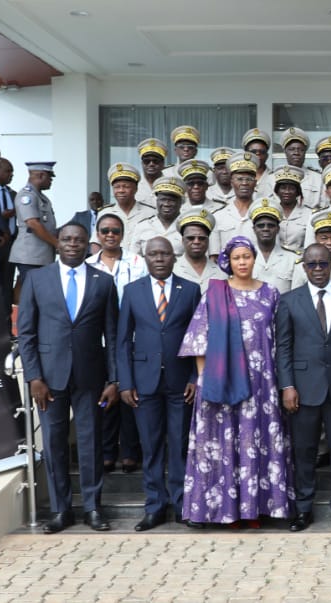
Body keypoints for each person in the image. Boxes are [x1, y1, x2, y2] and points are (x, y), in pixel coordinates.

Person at [177, 235, 292, 527]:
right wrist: (204, 379)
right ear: (228, 260)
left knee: (256, 441)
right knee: (224, 444)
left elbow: (279, 339)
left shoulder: (270, 294)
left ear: (254, 259)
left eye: (247, 257)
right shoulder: (214, 293)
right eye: (237, 257)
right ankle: (226, 511)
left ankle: (254, 509)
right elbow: (199, 339)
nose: (243, 262)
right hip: (221, 383)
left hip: (261, 385)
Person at [16, 222, 120, 533]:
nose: (72, 244)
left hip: (90, 377)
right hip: (47, 380)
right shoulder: (36, 279)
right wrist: (34, 375)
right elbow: (26, 333)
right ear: (57, 243)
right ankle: (62, 511)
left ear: (89, 244)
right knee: (54, 443)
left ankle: (92, 508)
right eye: (66, 239)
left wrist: (113, 380)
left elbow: (111, 336)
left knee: (90, 444)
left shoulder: (104, 282)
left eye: (78, 239)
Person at [116, 236, 201, 531]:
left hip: (181, 383)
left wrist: (195, 377)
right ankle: (154, 506)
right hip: (144, 383)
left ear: (174, 257)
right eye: (154, 254)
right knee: (151, 447)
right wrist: (124, 382)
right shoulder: (132, 291)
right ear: (146, 258)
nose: (160, 258)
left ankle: (181, 504)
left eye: (165, 254)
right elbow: (123, 340)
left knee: (179, 446)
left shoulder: (190, 290)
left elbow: (199, 337)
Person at [275, 244, 331, 532]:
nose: (317, 270)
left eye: (322, 264)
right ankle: (303, 509)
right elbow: (283, 349)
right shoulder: (289, 301)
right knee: (304, 452)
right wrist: (287, 385)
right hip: (302, 389)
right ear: (304, 268)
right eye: (311, 265)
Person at [87, 213, 148, 473]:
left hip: (133, 339)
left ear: (123, 234)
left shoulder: (138, 262)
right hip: (99, 341)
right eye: (105, 231)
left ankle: (130, 453)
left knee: (130, 396)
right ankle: (108, 451)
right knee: (104, 398)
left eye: (115, 231)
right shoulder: (88, 265)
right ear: (98, 235)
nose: (110, 235)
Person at [9, 161, 59, 304]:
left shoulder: (41, 197)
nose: (51, 181)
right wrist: (56, 243)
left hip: (40, 254)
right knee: (30, 293)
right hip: (30, 254)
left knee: (33, 290)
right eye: (50, 178)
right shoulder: (27, 196)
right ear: (41, 175)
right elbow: (33, 223)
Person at [96, 162, 155, 254]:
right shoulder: (104, 213)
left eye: (126, 187)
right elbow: (96, 243)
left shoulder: (150, 212)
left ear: (136, 189)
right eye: (117, 187)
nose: (121, 191)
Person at [211, 151, 260, 256]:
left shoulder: (262, 214)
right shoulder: (218, 216)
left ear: (255, 183)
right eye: (239, 179)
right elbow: (214, 257)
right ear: (232, 182)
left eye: (249, 179)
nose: (244, 183)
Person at [250, 200, 302, 293]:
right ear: (254, 229)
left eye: (271, 226)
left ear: (278, 229)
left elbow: (296, 296)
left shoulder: (293, 259)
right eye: (261, 226)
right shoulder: (245, 258)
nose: (266, 229)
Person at [130, 176, 186, 256]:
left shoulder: (188, 227)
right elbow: (134, 259)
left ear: (181, 202)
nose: (166, 204)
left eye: (172, 200)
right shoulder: (142, 226)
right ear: (157, 201)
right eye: (163, 199)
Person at [0, 155, 17, 318]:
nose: (11, 175)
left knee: (7, 286)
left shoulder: (13, 194)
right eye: (8, 171)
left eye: (12, 172)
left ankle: (6, 329)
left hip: (11, 244)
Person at [173, 210, 223, 293]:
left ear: (208, 240)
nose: (196, 242)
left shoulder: (221, 273)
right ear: (182, 241)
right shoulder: (173, 271)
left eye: (202, 238)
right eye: (191, 238)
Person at [270, 165, 313, 250]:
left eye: (291, 188)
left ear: (298, 192)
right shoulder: (271, 211)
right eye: (283, 188)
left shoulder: (309, 214)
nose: (287, 192)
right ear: (277, 191)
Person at [135, 138, 168, 207]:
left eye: (155, 161)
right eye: (147, 161)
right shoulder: (134, 184)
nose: (151, 164)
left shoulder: (171, 184)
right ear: (142, 163)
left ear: (163, 163)